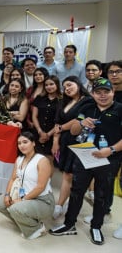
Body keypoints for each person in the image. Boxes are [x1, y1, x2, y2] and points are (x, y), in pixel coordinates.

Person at [49, 78, 121, 245]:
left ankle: (96, 226)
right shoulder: (87, 107)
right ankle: (69, 224)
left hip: (108, 158)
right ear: (93, 93)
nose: (102, 96)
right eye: (98, 92)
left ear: (113, 93)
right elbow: (74, 130)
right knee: (76, 191)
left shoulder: (119, 110)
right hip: (84, 156)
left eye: (106, 92)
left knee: (101, 194)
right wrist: (81, 123)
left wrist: (110, 150)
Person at [0, 132, 54, 240]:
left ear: (34, 143)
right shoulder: (19, 159)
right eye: (19, 143)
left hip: (43, 201)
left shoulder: (42, 160)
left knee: (15, 208)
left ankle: (37, 228)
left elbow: (41, 187)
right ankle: (24, 221)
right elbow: (13, 179)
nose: (22, 145)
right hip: (23, 196)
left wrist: (22, 200)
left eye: (25, 142)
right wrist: (7, 195)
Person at [51, 76, 92, 219]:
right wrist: (55, 141)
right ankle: (59, 205)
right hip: (64, 141)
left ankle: (72, 203)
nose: (67, 88)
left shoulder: (88, 101)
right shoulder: (63, 102)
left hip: (81, 141)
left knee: (79, 176)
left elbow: (79, 119)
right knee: (66, 174)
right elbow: (56, 123)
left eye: (69, 85)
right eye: (65, 87)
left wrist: (62, 128)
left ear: (78, 84)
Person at [31, 75, 62, 158]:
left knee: (50, 159)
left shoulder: (62, 100)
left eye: (51, 84)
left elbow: (61, 120)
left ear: (57, 85)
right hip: (38, 132)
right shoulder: (39, 98)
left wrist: (48, 135)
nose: (49, 87)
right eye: (46, 85)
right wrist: (40, 131)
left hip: (54, 134)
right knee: (36, 158)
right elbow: (34, 116)